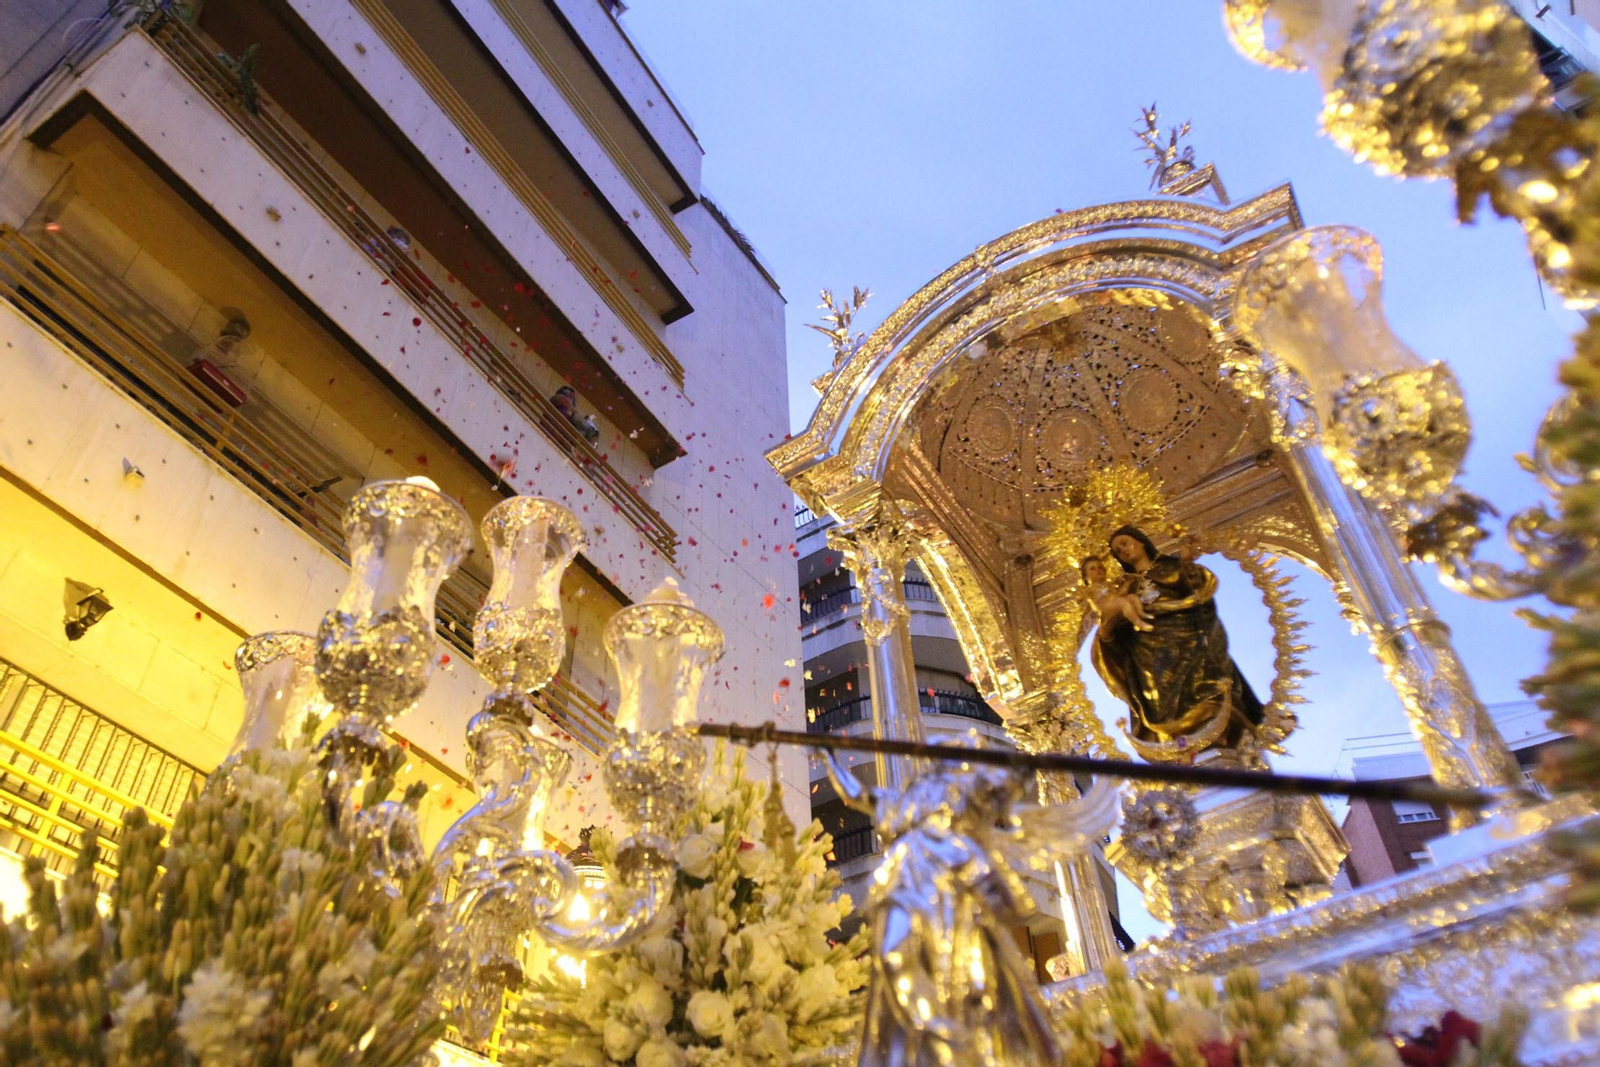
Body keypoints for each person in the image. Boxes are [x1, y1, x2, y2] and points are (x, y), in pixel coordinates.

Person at [1091, 525, 1264, 755]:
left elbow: (1199, 590)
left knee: (1207, 692)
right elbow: (1114, 627)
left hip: (1188, 639)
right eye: (1116, 550)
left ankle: (1219, 739)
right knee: (1162, 706)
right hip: (1150, 657)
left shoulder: (1170, 566)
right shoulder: (1127, 586)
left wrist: (1186, 564)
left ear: (1141, 541)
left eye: (1124, 542)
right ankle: (1181, 746)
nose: (1121, 550)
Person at [1080, 554, 1151, 633]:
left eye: (1100, 567)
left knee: (1132, 597)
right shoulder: (1091, 589)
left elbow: (1120, 594)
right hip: (1105, 611)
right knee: (1123, 602)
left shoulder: (1109, 585)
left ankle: (1141, 614)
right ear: (1086, 577)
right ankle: (1139, 623)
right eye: (1092, 569)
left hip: (1115, 604)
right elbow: (1086, 599)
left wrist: (1127, 584)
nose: (1098, 570)